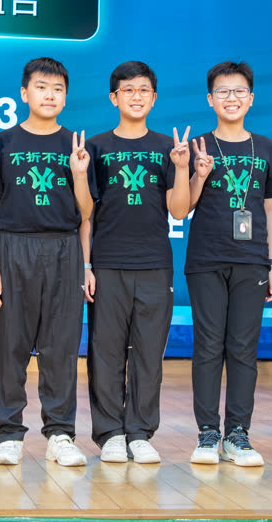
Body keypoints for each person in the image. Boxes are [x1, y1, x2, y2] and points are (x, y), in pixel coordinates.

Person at [0, 57, 93, 467]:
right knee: (7, 346)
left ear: (66, 97)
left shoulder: (75, 144)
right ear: (24, 93)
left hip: (63, 249)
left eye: (58, 89)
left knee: (60, 346)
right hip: (13, 249)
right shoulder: (4, 142)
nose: (50, 95)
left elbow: (86, 213)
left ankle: (60, 433)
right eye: (42, 87)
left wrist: (78, 174)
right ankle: (7, 434)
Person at [81, 61, 192, 464]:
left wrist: (183, 168)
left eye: (144, 90)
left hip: (154, 264)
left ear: (154, 97)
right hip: (107, 264)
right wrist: (86, 266)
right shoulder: (97, 147)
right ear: (114, 98)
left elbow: (178, 210)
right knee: (106, 352)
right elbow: (85, 214)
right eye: (128, 90)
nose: (136, 96)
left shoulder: (167, 147)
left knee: (148, 353)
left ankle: (141, 432)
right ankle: (110, 432)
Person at [184, 61, 272, 467]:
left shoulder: (266, 148)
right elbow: (183, 207)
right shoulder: (199, 146)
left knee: (243, 348)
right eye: (223, 91)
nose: (232, 98)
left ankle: (238, 434)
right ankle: (208, 432)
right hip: (206, 260)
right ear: (210, 99)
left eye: (239, 91)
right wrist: (198, 175)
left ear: (251, 98)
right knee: (208, 346)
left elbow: (271, 211)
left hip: (252, 261)